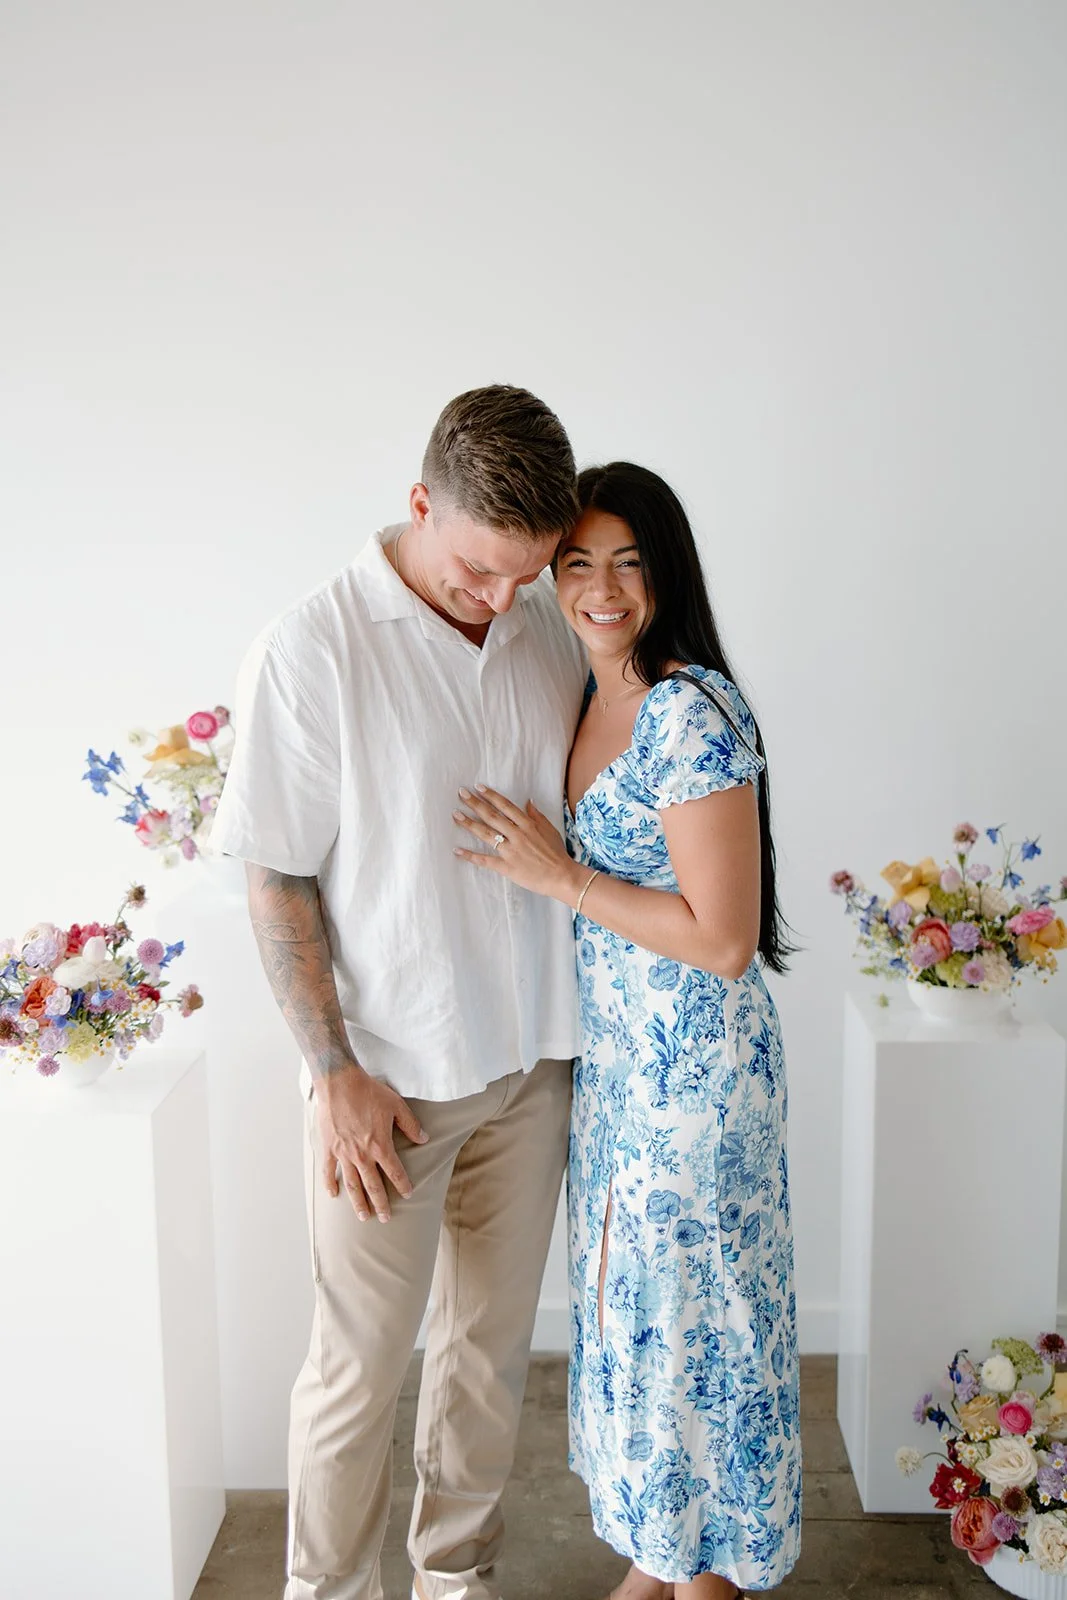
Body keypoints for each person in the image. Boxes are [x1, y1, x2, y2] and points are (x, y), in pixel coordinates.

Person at [210, 385, 588, 1600]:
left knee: (485, 1357)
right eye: (479, 568)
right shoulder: (312, 649)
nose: (501, 599)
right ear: (419, 503)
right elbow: (273, 876)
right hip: (388, 1087)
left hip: (529, 1058)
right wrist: (331, 1075)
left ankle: (453, 1576)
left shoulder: (538, 621)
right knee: (357, 1369)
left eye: (521, 575)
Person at [453, 462, 802, 1599]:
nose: (601, 587)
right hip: (621, 1070)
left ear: (666, 571)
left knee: (695, 1324)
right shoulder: (588, 688)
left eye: (628, 560)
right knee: (637, 1321)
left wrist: (558, 875)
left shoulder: (686, 709)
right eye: (575, 563)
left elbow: (721, 937)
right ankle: (662, 1556)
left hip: (694, 1077)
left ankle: (710, 1574)